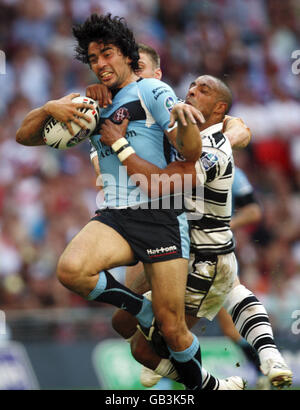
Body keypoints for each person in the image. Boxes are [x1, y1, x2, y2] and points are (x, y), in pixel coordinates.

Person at [15, 13, 217, 391]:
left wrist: (187, 123)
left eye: (106, 54)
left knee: (172, 329)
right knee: (71, 270)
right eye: (93, 59)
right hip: (116, 216)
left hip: (160, 216)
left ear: (126, 54)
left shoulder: (154, 92)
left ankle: (200, 388)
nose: (100, 64)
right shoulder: (89, 103)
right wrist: (50, 108)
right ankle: (141, 310)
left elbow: (189, 155)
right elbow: (23, 137)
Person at [99, 74, 293, 390]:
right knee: (123, 323)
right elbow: (230, 123)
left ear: (217, 109)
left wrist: (119, 144)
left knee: (146, 347)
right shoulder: (186, 136)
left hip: (202, 257)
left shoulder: (213, 148)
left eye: (203, 90)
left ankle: (222, 383)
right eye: (192, 86)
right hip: (185, 249)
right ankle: (269, 356)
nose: (191, 91)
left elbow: (159, 183)